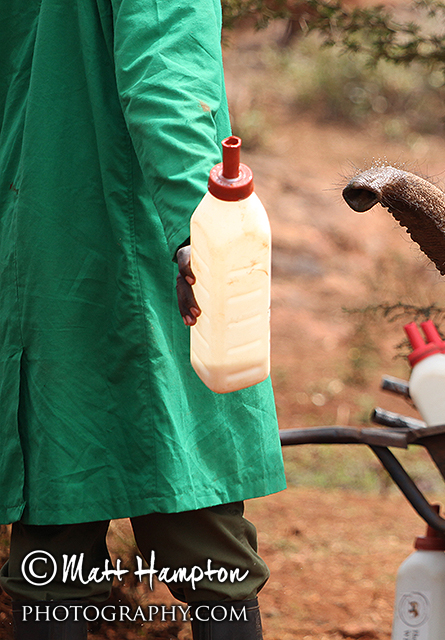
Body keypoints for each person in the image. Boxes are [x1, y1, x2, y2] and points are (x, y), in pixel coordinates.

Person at [0, 2, 286, 639]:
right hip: (144, 256)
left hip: (39, 259)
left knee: (53, 527)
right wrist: (198, 232)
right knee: (205, 537)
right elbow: (167, 79)